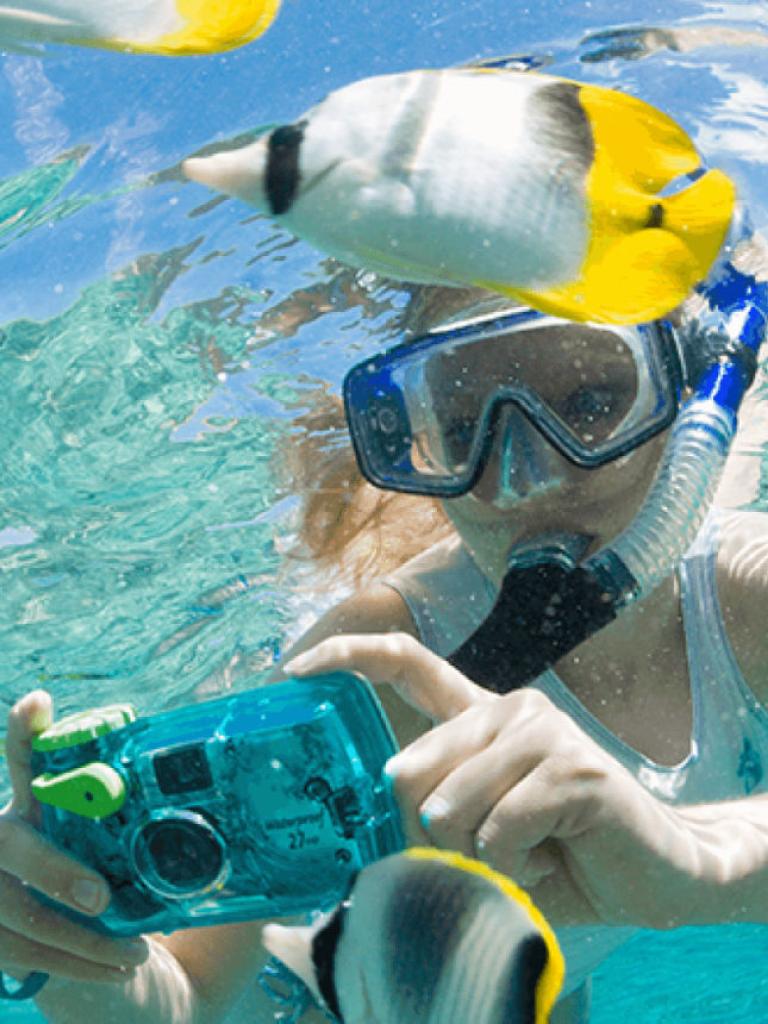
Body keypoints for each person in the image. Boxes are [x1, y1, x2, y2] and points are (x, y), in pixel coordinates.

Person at [2, 193, 768, 1024]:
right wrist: (70, 937)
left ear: (688, 409)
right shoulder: (375, 664)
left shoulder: (746, 591)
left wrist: (694, 859)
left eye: (588, 404)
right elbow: (181, 1001)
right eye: (467, 424)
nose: (525, 478)